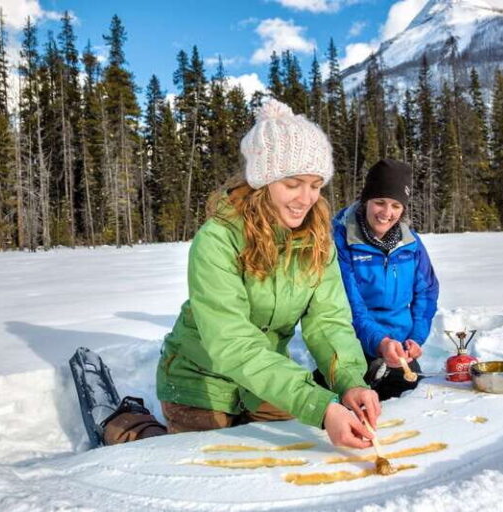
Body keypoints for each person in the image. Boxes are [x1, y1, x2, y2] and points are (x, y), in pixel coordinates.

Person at [154, 99, 379, 449]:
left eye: (316, 185)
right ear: (263, 181)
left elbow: (328, 321)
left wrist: (350, 381)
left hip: (270, 377)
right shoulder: (217, 239)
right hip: (200, 378)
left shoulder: (320, 240)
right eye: (293, 183)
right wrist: (319, 406)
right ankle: (126, 425)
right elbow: (231, 342)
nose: (306, 198)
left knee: (287, 460)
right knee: (212, 467)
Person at [330, 158, 439, 401]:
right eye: (379, 202)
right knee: (353, 403)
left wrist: (415, 338)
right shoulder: (341, 241)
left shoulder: (411, 244)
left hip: (398, 347)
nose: (386, 213)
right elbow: (349, 305)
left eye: (396, 206)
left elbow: (427, 292)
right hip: (352, 344)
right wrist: (380, 342)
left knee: (411, 400)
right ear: (365, 200)